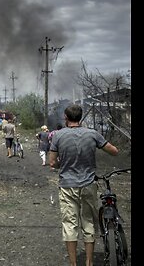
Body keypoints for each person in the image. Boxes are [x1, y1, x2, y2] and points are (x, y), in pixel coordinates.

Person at [49, 104, 118, 266]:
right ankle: (89, 262)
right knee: (88, 223)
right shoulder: (92, 134)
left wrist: (63, 164)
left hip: (67, 186)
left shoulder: (58, 136)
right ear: (80, 117)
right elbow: (114, 151)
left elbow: (52, 162)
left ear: (66, 118)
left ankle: (73, 263)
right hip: (88, 184)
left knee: (70, 225)